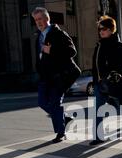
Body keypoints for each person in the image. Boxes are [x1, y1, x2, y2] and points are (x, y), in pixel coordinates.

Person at [32, 7, 80, 143]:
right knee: (42, 102)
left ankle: (61, 132)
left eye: (40, 19)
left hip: (58, 76)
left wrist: (52, 50)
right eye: (36, 20)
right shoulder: (39, 37)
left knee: (55, 103)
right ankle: (63, 117)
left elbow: (72, 51)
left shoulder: (59, 33)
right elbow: (41, 57)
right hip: (44, 77)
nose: (38, 22)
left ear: (47, 19)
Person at [90, 16, 122, 146]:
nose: (101, 31)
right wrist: (95, 81)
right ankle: (98, 137)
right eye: (99, 29)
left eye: (103, 29)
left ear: (111, 30)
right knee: (98, 110)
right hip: (100, 84)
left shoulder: (120, 45)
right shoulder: (98, 45)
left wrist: (113, 69)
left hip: (115, 83)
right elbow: (95, 66)